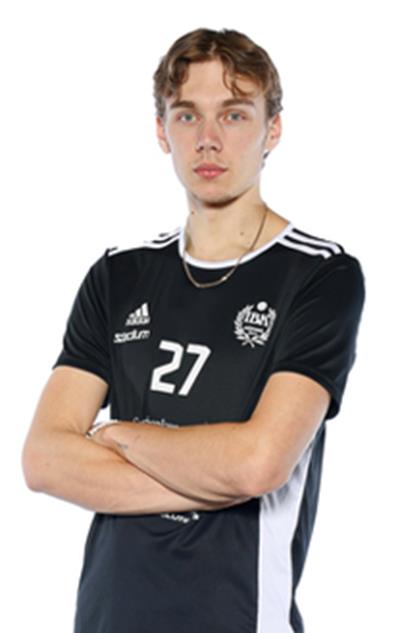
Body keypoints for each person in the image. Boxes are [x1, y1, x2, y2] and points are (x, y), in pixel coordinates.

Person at [22, 27, 365, 633]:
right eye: (187, 116)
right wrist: (215, 476)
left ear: (272, 130)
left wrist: (119, 435)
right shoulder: (118, 275)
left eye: (234, 114)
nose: (208, 139)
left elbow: (258, 465)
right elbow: (45, 460)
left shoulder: (320, 275)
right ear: (162, 131)